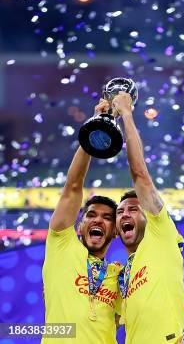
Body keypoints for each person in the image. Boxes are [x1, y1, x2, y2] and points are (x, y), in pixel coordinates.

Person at [42, 100, 122, 343]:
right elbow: (73, 187)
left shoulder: (120, 275)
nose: (98, 219)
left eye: (108, 218)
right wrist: (95, 128)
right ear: (79, 226)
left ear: (116, 231)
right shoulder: (62, 246)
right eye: (91, 215)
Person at [112, 91, 184, 344]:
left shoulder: (161, 234)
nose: (124, 214)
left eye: (133, 209)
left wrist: (127, 116)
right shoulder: (122, 275)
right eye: (120, 212)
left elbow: (140, 176)